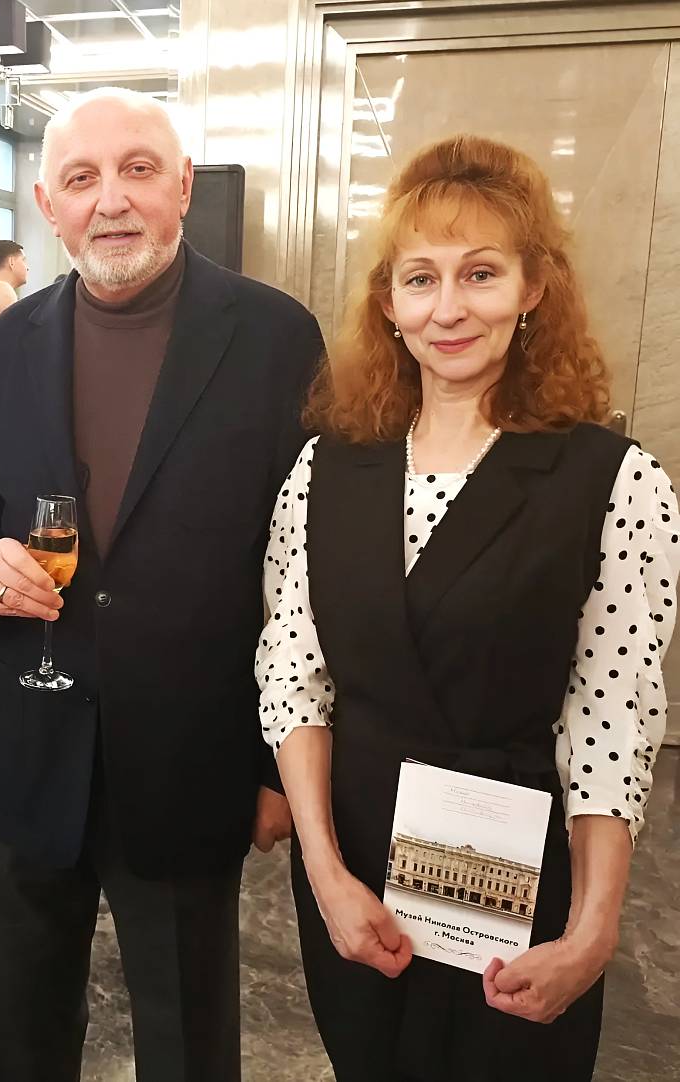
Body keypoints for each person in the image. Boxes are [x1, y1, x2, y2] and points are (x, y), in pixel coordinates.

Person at [258, 134, 678, 1082]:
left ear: (534, 288)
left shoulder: (614, 482)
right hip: (357, 867)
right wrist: (323, 873)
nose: (447, 308)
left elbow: (612, 721)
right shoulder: (325, 468)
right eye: (420, 279)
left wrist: (594, 931)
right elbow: (294, 675)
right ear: (389, 304)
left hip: (522, 879)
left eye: (480, 274)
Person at [0, 87, 323, 1082]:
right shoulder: (9, 343)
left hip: (191, 762)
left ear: (183, 185)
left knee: (188, 1041)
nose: (110, 199)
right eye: (81, 178)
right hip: (27, 746)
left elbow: (310, 573)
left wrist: (279, 765)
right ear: (48, 204)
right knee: (22, 1035)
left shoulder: (277, 337)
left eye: (138, 169)